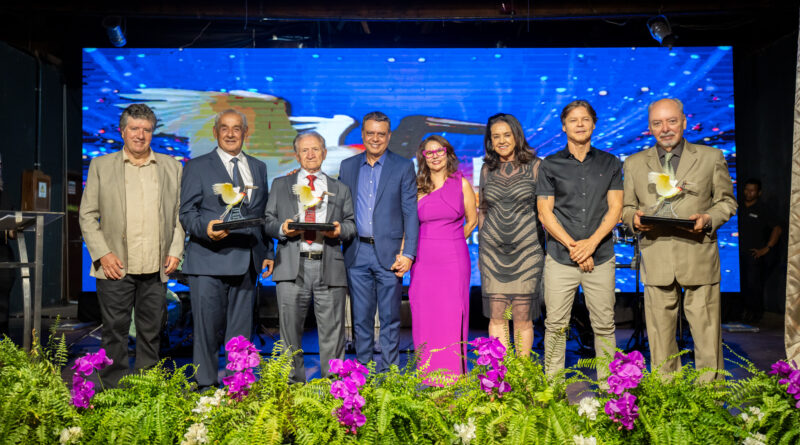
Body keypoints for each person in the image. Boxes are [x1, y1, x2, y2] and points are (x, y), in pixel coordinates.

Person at [621, 98, 737, 381]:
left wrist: (707, 218)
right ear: (650, 128)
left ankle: (710, 396)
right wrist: (633, 219)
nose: (665, 129)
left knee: (707, 336)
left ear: (684, 122)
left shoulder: (711, 157)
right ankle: (667, 396)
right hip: (656, 258)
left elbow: (727, 202)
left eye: (672, 121)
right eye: (657, 123)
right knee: (660, 339)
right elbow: (626, 207)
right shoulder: (634, 164)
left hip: (698, 255)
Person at [79, 103, 184, 387]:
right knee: (114, 332)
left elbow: (179, 216)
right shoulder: (102, 166)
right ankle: (113, 392)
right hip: (115, 265)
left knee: (152, 332)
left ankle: (147, 391)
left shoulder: (172, 167)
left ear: (152, 133)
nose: (140, 135)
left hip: (155, 265)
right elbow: (87, 215)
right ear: (122, 131)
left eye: (146, 130)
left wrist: (175, 251)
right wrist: (103, 254)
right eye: (134, 129)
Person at [179, 109, 274, 389]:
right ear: (215, 132)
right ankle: (205, 389)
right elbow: (187, 212)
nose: (230, 134)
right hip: (208, 259)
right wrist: (205, 228)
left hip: (247, 262)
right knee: (207, 333)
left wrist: (268, 252)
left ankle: (238, 388)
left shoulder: (258, 167)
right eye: (224, 128)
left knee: (241, 336)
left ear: (245, 132)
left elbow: (263, 214)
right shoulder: (197, 166)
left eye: (236, 128)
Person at [537, 100, 623, 379]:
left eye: (585, 119)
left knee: (604, 325)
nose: (580, 124)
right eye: (573, 120)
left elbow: (615, 209)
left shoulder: (610, 162)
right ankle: (553, 389)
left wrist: (591, 244)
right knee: (555, 326)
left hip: (601, 256)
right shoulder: (550, 164)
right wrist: (575, 248)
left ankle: (611, 390)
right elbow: (545, 213)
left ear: (593, 124)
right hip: (561, 257)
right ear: (564, 126)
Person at [264, 131, 356, 383]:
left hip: (329, 266)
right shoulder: (280, 185)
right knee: (289, 335)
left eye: (315, 149)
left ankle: (334, 388)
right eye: (305, 150)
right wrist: (283, 229)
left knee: (333, 334)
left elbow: (351, 224)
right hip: (291, 266)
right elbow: (268, 221)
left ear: (324, 153)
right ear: (297, 155)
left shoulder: (340, 188)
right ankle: (293, 388)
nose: (310, 154)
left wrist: (340, 230)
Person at [338, 111, 419, 371]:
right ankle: (362, 374)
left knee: (390, 319)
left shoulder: (403, 166)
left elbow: (411, 213)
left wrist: (408, 253)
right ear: (363, 134)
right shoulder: (347, 167)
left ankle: (390, 375)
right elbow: (338, 207)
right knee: (360, 319)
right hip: (356, 252)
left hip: (391, 254)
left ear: (389, 136)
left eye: (381, 134)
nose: (375, 138)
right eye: (370, 133)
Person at [408, 135, 477, 380]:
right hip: (424, 261)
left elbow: (472, 221)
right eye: (429, 152)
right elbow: (408, 224)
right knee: (425, 315)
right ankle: (428, 375)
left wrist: (452, 239)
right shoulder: (416, 187)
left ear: (448, 153)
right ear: (423, 158)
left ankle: (454, 375)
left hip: (453, 260)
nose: (435, 156)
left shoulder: (462, 184)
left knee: (452, 315)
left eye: (440, 151)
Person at [478, 113, 545, 357]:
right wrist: (482, 248)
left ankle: (522, 374)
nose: (502, 141)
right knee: (497, 316)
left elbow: (545, 210)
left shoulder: (536, 166)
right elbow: (483, 209)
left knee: (522, 317)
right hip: (493, 253)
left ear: (517, 136)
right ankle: (501, 373)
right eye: (496, 136)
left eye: (507, 135)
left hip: (527, 252)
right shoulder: (487, 169)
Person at [736, 178, 782, 324]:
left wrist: (766, 248)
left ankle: (754, 314)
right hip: (736, 254)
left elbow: (777, 228)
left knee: (753, 286)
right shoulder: (737, 206)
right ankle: (738, 313)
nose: (748, 193)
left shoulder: (763, 209)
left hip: (753, 254)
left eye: (752, 190)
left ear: (759, 192)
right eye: (746, 189)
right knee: (739, 285)